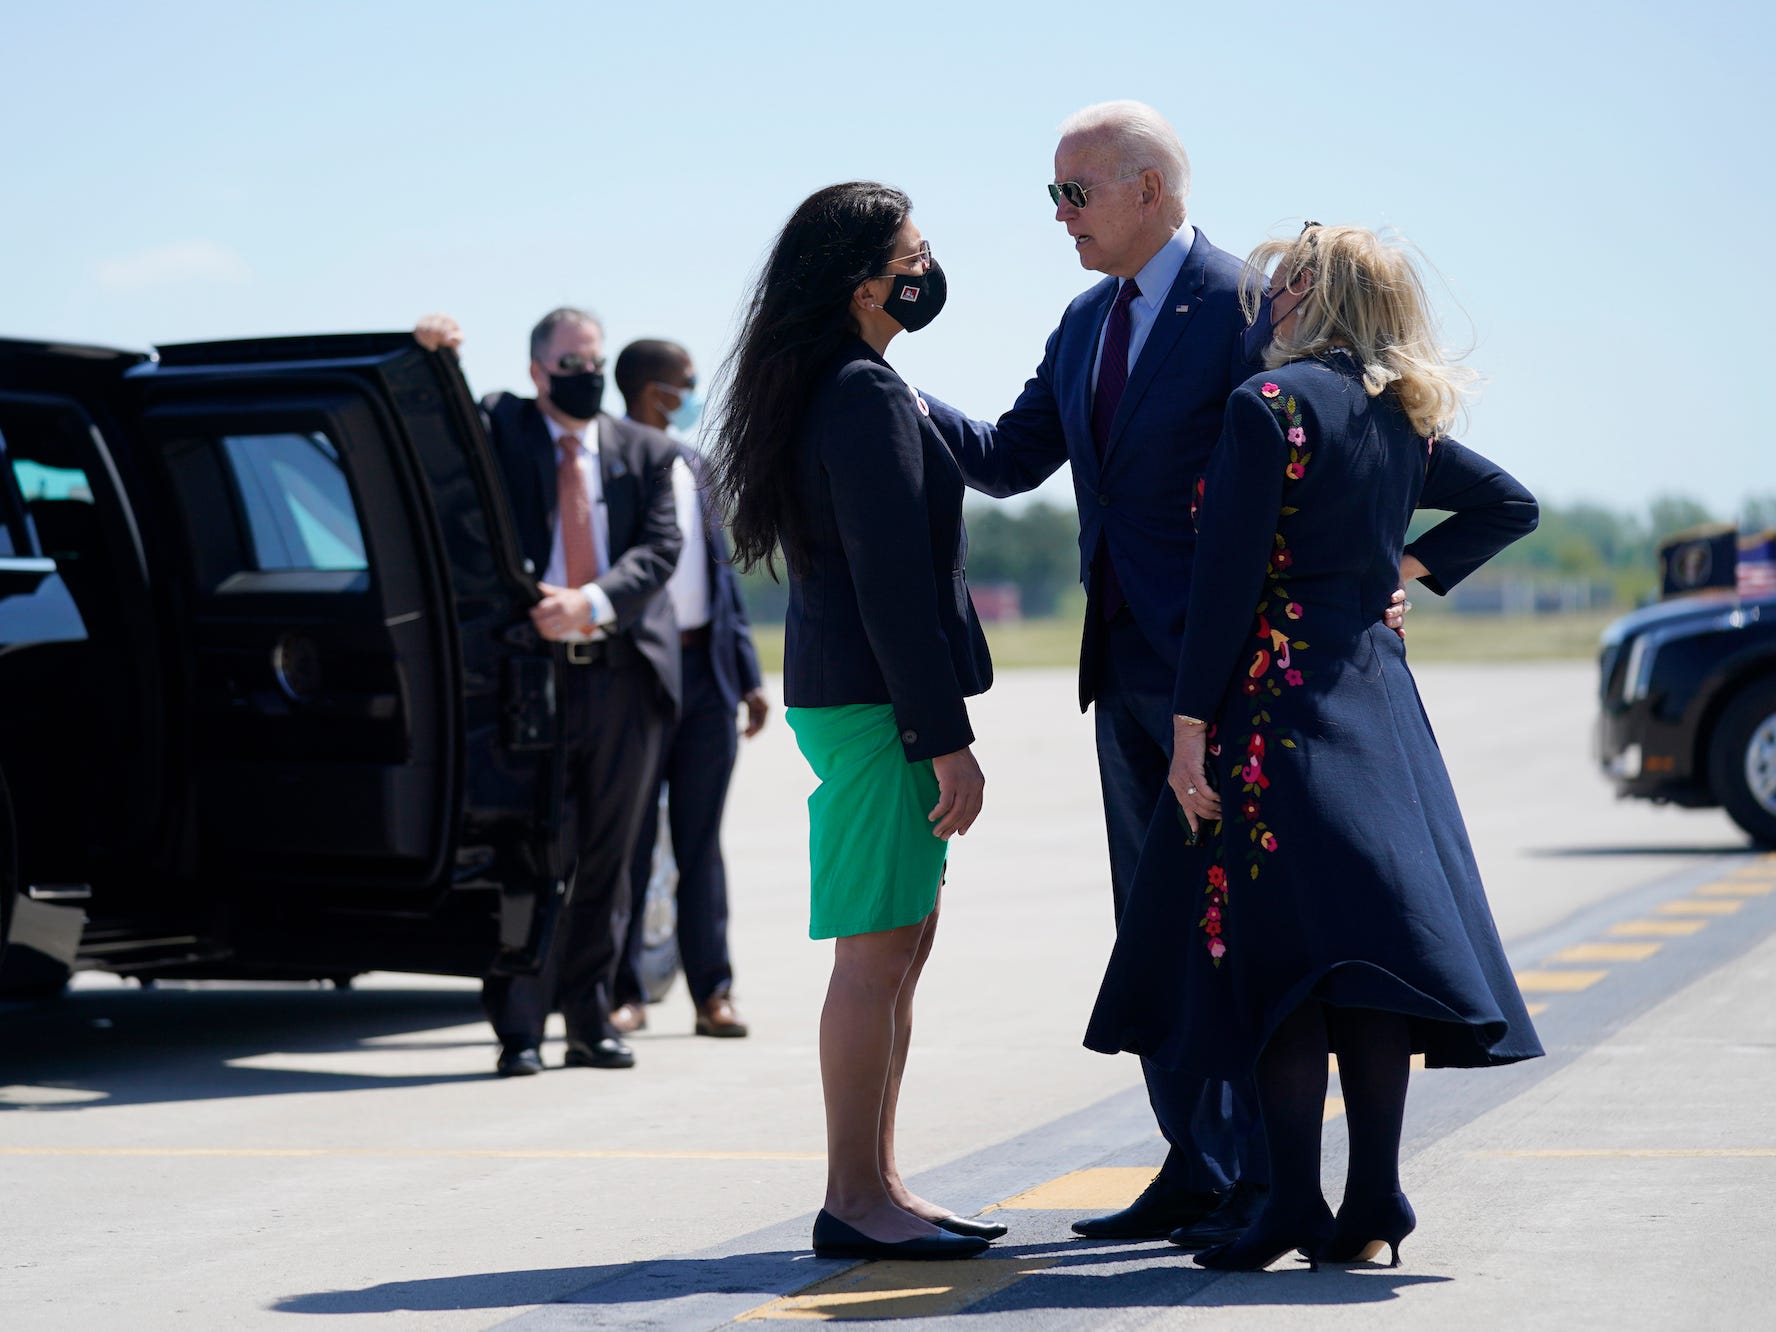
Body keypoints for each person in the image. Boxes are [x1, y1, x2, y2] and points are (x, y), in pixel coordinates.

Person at [924, 99, 1400, 1247]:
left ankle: (1261, 1176)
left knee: (1238, 930)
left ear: (1152, 190)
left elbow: (1359, 432)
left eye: (1073, 193)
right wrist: (881, 385)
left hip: (1231, 678)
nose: (1058, 216)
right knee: (1157, 932)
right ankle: (1196, 1160)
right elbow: (1003, 457)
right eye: (1052, 194)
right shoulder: (1086, 320)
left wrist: (1379, 569)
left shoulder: (1253, 305)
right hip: (1122, 670)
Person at [1092, 224, 1543, 1271]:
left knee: (1279, 956)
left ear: (1310, 295)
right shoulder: (1402, 412)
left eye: (1277, 285)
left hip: (1272, 714)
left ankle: (1294, 1199)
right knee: (1368, 956)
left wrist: (1190, 728)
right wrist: (1405, 574)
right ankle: (1375, 1197)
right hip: (1378, 707)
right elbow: (1509, 503)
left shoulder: (1269, 408)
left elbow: (1226, 586)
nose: (1264, 303)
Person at [706, 181, 998, 1262]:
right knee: (876, 960)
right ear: (864, 280)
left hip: (863, 699)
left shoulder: (846, 385)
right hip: (880, 709)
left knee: (900, 951)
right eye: (912, 256)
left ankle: (880, 1183)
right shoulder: (862, 394)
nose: (927, 272)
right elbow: (890, 587)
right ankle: (852, 1199)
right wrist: (941, 736)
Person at [414, 307, 683, 1078]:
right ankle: (519, 1026)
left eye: (593, 359)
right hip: (530, 682)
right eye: (569, 363)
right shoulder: (508, 428)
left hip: (624, 677)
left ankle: (590, 1020)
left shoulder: (645, 449)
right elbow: (450, 435)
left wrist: (590, 602)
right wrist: (438, 357)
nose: (586, 374)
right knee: (529, 854)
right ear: (537, 371)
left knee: (610, 857)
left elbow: (660, 550)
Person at [609, 337, 768, 1040]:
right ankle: (625, 992)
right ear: (652, 390)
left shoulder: (694, 465)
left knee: (701, 842)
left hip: (707, 675)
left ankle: (714, 994)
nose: (694, 393)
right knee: (630, 842)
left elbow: (721, 581)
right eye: (685, 383)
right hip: (639, 677)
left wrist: (749, 676)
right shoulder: (608, 461)